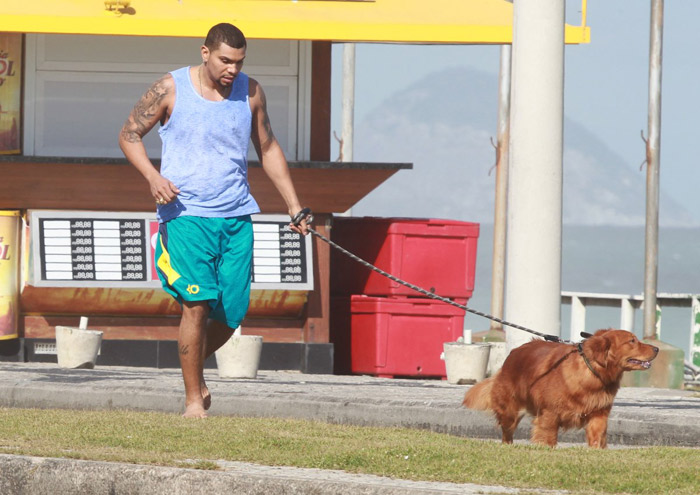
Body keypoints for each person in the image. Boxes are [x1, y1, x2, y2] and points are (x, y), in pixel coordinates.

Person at [119, 23, 309, 418]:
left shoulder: (251, 92)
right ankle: (194, 400)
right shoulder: (170, 88)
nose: (232, 70)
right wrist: (153, 177)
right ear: (205, 52)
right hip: (186, 216)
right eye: (225, 60)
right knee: (198, 303)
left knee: (231, 313)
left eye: (239, 62)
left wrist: (294, 205)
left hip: (237, 215)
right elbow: (129, 135)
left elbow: (268, 146)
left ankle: (190, 368)